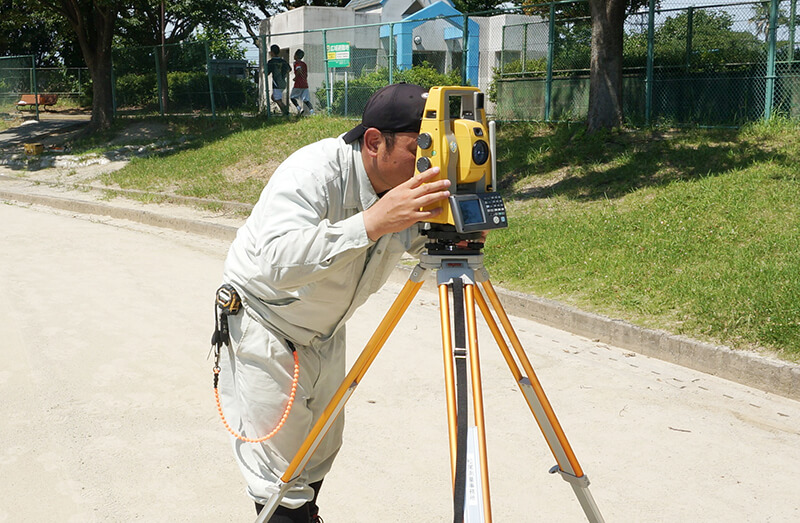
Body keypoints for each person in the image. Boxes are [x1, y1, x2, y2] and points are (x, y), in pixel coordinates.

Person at [217, 83, 451, 523]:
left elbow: (426, 248)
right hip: (268, 323)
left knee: (320, 447)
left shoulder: (407, 183)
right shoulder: (313, 171)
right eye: (418, 145)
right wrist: (369, 224)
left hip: (326, 330)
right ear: (374, 141)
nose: (428, 160)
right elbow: (276, 260)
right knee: (279, 473)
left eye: (436, 145)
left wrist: (459, 235)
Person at [267, 44, 291, 116]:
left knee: (277, 99)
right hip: (283, 82)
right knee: (273, 97)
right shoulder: (283, 61)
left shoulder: (271, 62)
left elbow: (267, 72)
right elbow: (289, 69)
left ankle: (286, 112)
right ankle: (284, 111)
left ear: (272, 52)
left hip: (276, 83)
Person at [290, 49, 314, 116]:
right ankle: (312, 111)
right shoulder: (304, 64)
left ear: (296, 56)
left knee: (292, 97)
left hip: (298, 84)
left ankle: (299, 108)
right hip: (305, 84)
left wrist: (295, 77)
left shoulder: (296, 63)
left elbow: (299, 69)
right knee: (305, 99)